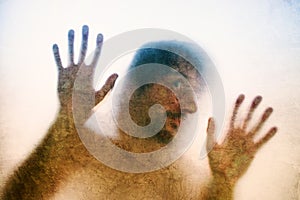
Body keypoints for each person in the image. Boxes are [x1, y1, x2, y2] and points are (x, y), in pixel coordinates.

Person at [1, 25, 277, 200]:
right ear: (135, 84)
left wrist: (224, 185)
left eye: (195, 95)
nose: (190, 106)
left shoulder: (184, 184)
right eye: (178, 84)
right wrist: (66, 121)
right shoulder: (79, 149)